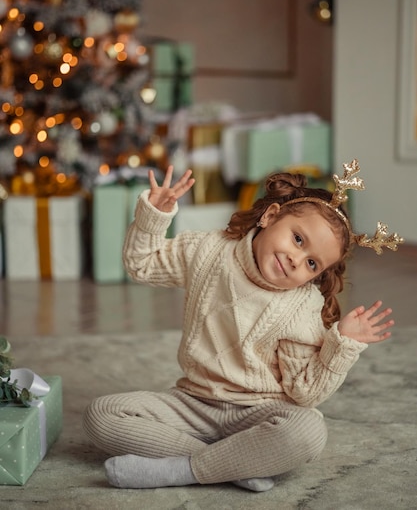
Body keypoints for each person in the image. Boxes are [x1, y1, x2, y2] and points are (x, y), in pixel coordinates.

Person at [83, 160, 402, 492]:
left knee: (308, 431)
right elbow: (142, 265)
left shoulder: (303, 305)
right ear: (270, 216)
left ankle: (183, 470)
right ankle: (232, 465)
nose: (296, 259)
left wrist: (343, 345)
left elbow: (303, 393)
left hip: (260, 413)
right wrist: (154, 216)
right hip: (193, 402)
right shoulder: (208, 251)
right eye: (297, 238)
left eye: (311, 263)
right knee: (101, 414)